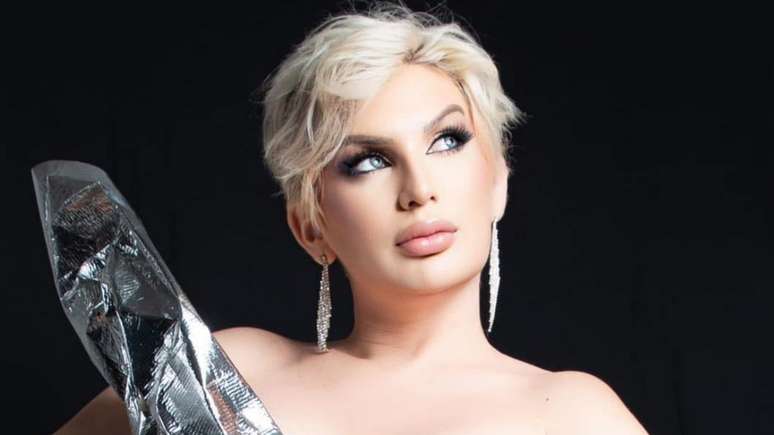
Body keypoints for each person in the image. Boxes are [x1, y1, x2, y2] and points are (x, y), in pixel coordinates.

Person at [55, 2, 649, 434]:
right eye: (368, 161)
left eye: (447, 141)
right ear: (310, 225)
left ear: (498, 184)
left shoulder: (572, 414)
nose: (419, 190)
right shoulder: (220, 374)